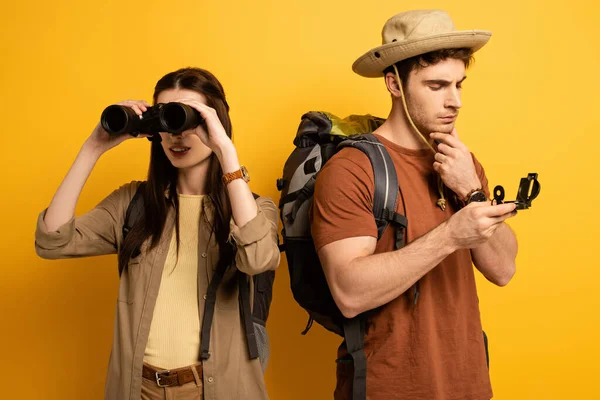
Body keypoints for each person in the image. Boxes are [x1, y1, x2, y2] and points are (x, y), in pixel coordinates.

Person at [35, 67, 280, 400]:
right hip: (139, 390)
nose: (176, 135)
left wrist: (226, 153)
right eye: (166, 119)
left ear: (214, 123)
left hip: (217, 389)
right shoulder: (134, 204)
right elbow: (52, 241)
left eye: (185, 118)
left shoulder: (253, 209)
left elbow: (258, 258)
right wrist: (93, 147)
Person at [311, 10, 519, 400]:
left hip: (469, 385)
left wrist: (472, 191)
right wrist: (451, 236)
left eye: (459, 84)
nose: (454, 101)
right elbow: (349, 292)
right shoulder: (353, 168)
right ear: (395, 84)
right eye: (437, 85)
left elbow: (504, 269)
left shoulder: (462, 162)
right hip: (389, 389)